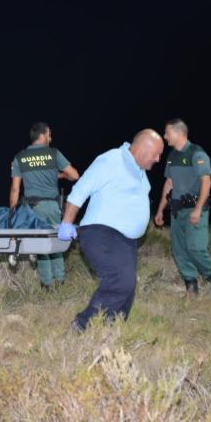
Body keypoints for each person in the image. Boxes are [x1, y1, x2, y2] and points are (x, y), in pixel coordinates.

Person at [58, 129, 164, 331]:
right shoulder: (111, 160)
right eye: (156, 154)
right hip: (101, 232)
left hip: (125, 240)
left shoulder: (140, 172)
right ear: (143, 148)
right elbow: (80, 190)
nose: (158, 159)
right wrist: (67, 223)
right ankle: (81, 326)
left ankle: (111, 330)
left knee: (128, 287)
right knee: (120, 281)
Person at [154, 119, 211, 295]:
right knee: (178, 250)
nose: (165, 136)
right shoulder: (171, 157)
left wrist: (198, 209)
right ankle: (191, 286)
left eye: (167, 133)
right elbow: (169, 184)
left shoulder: (197, 154)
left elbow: (206, 182)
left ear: (179, 133)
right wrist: (160, 210)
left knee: (195, 248)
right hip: (176, 211)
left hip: (195, 209)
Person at [9, 122, 79, 288]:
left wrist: (12, 214)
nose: (51, 138)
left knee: (40, 245)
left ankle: (47, 284)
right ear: (43, 134)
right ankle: (60, 281)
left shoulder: (20, 157)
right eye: (49, 134)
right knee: (56, 242)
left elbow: (15, 189)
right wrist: (61, 175)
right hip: (53, 206)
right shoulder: (54, 153)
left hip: (33, 209)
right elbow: (74, 175)